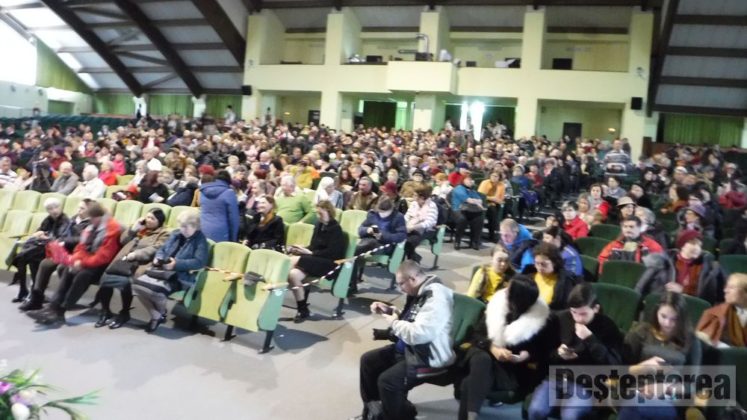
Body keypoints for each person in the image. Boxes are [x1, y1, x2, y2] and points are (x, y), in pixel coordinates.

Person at [354, 261, 454, 420]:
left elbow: (419, 334)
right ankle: (374, 413)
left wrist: (394, 323)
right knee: (368, 361)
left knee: (388, 382)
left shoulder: (436, 298)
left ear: (413, 279)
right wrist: (391, 310)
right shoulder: (420, 291)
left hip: (429, 357)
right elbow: (413, 318)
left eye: (401, 283)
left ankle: (398, 415)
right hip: (411, 350)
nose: (400, 288)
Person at [456, 275, 550, 420]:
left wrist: (523, 356)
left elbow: (539, 350)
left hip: (506, 367)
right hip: (481, 351)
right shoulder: (497, 305)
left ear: (518, 297)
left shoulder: (537, 320)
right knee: (482, 359)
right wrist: (492, 348)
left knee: (469, 383)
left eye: (509, 289)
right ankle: (472, 416)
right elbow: (477, 335)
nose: (504, 290)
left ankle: (470, 416)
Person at [528, 283, 623, 420]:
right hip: (557, 376)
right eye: (574, 312)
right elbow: (544, 354)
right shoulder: (561, 319)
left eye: (583, 314)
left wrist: (590, 339)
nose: (578, 318)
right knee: (536, 410)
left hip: (587, 383)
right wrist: (558, 354)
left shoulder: (607, 326)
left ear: (595, 309)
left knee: (570, 416)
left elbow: (613, 364)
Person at [29, 202, 122, 325]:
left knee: (82, 275)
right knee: (68, 268)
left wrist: (82, 263)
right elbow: (80, 247)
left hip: (102, 266)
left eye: (92, 218)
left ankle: (61, 309)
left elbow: (104, 256)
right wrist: (76, 260)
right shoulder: (91, 227)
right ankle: (54, 307)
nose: (90, 221)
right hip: (87, 261)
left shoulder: (112, 229)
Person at [618, 292, 701, 420]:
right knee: (634, 403)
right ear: (656, 312)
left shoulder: (691, 341)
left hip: (669, 399)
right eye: (663, 316)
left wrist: (666, 388)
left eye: (674, 319)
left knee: (633, 405)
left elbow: (692, 385)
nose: (667, 323)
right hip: (637, 390)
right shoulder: (641, 332)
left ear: (682, 319)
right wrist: (642, 367)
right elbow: (620, 370)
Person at [133, 210, 209, 333]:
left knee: (156, 291)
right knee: (136, 285)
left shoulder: (200, 240)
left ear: (196, 227)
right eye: (181, 225)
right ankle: (157, 315)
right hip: (161, 271)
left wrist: (176, 264)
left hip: (180, 276)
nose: (182, 229)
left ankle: (159, 314)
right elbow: (162, 249)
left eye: (186, 227)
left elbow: (199, 262)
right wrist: (158, 258)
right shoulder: (176, 233)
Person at [96, 208, 170, 329]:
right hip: (122, 261)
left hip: (138, 263)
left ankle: (124, 313)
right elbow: (122, 241)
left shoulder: (163, 233)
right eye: (147, 217)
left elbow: (155, 249)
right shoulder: (140, 228)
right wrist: (134, 229)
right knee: (105, 280)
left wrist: (136, 254)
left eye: (152, 218)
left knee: (126, 283)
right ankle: (105, 311)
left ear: (159, 221)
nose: (148, 220)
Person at [287, 200, 346, 322]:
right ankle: (302, 309)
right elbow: (314, 245)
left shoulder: (336, 229)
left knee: (291, 260)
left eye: (320, 213)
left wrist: (311, 253)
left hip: (329, 264)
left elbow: (333, 253)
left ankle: (273, 283)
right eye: (317, 213)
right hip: (316, 259)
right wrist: (303, 249)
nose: (318, 216)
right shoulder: (319, 225)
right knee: (293, 275)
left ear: (328, 211)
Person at [636, 230, 724, 305]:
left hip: (691, 307)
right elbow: (641, 286)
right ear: (682, 246)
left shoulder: (710, 267)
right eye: (693, 244)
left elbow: (713, 296)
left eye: (699, 245)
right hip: (662, 304)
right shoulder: (662, 261)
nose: (697, 248)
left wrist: (683, 290)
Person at [10, 197, 70, 303]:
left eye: (56, 207)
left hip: (53, 250)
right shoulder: (48, 219)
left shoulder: (65, 220)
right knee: (24, 258)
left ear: (60, 207)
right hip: (42, 247)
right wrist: (38, 234)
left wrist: (45, 237)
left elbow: (61, 240)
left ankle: (26, 291)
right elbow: (39, 231)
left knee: (22, 257)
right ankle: (25, 290)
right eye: (50, 209)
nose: (54, 210)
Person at [352, 198, 407, 290]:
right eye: (380, 211)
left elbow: (401, 236)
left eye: (384, 212)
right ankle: (352, 282)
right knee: (355, 251)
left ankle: (351, 283)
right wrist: (367, 230)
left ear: (391, 209)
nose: (382, 214)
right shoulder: (373, 214)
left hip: (385, 245)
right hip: (369, 241)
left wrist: (383, 235)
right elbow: (360, 229)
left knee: (358, 249)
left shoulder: (398, 217)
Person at [522, 242, 579, 310]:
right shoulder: (528, 275)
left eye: (544, 264)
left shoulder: (565, 281)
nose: (539, 268)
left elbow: (563, 308)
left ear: (554, 263)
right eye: (537, 263)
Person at [598, 216, 664, 273]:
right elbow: (602, 260)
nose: (628, 229)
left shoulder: (651, 245)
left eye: (631, 227)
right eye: (625, 227)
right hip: (617, 275)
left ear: (639, 228)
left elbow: (658, 266)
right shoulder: (614, 244)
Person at [696, 273, 747, 347]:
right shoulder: (714, 315)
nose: (725, 290)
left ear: (745, 293)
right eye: (726, 287)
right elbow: (702, 342)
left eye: (732, 288)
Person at [199, 170, 239, 242]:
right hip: (221, 233)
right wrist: (233, 239)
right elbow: (233, 219)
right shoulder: (229, 193)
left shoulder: (203, 191)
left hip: (202, 229)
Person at [403, 185, 438, 263]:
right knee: (399, 238)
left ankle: (412, 260)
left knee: (410, 241)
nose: (413, 196)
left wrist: (414, 227)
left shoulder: (432, 205)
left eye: (415, 195)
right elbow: (407, 216)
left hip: (427, 230)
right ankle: (413, 258)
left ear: (422, 197)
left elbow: (430, 222)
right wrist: (405, 224)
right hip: (411, 228)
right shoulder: (414, 204)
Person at [450, 175, 486, 250]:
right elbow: (468, 200)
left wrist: (475, 201)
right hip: (457, 209)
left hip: (470, 210)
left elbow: (480, 200)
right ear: (463, 180)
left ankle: (474, 242)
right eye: (468, 179)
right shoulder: (459, 188)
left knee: (479, 219)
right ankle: (457, 241)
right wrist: (475, 201)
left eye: (471, 180)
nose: (471, 181)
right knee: (462, 219)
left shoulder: (472, 190)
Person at [478, 171, 508, 242]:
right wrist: (491, 198)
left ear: (499, 178)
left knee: (503, 209)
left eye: (496, 176)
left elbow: (501, 197)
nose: (494, 178)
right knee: (493, 211)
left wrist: (499, 200)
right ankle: (492, 235)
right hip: (484, 201)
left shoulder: (501, 185)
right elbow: (481, 195)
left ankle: (495, 232)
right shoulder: (485, 183)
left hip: (495, 203)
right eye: (492, 176)